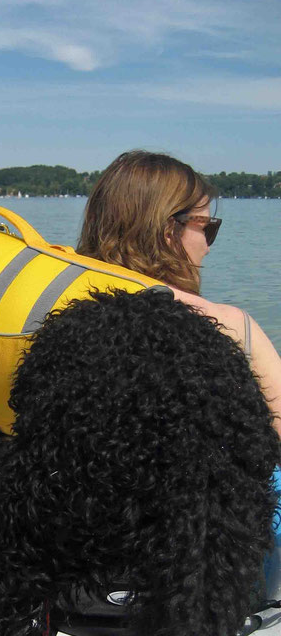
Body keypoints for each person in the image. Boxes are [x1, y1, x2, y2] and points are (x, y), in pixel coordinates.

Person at [77, 150, 281, 436]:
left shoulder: (62, 311)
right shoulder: (229, 326)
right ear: (169, 230)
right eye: (207, 228)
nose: (208, 246)